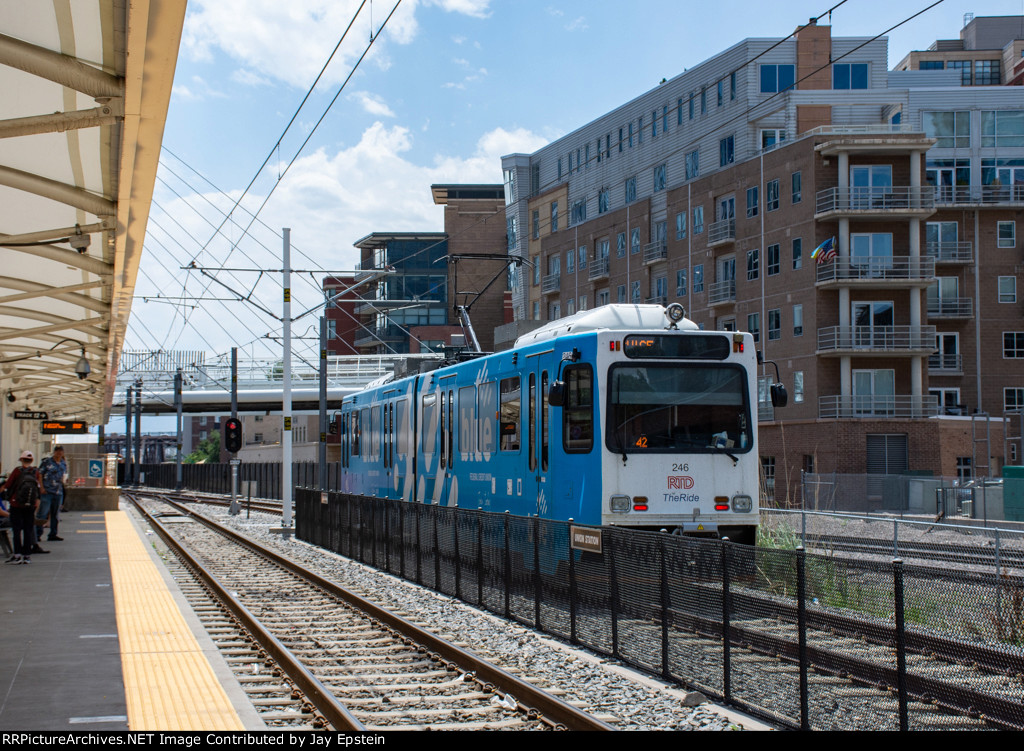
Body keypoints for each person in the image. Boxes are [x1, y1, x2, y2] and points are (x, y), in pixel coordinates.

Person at [3, 451, 44, 564]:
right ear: (31, 461)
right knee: (28, 530)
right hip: (30, 505)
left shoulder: (17, 471)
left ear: (21, 460)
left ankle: (17, 555)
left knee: (16, 531)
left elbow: (8, 485)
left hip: (16, 504)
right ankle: (27, 556)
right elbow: (38, 488)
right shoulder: (35, 472)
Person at [38, 445, 67, 542]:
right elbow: (40, 474)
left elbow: (62, 476)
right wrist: (41, 487)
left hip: (58, 492)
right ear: (54, 452)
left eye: (60, 451)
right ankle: (37, 534)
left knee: (55, 514)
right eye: (57, 451)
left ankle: (53, 534)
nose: (59, 453)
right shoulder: (47, 462)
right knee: (43, 513)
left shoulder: (63, 463)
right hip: (47, 491)